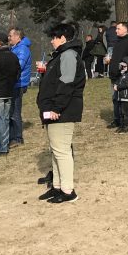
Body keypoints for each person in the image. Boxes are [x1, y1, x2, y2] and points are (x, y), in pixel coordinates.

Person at [36, 23, 85, 204]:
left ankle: (68, 191)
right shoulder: (61, 56)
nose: (51, 41)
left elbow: (67, 84)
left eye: (54, 37)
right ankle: (57, 186)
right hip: (53, 110)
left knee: (62, 151)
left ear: (63, 38)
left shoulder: (69, 55)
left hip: (62, 111)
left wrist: (57, 108)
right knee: (55, 151)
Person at [106, 22, 128, 130]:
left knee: (123, 101)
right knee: (115, 100)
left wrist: (123, 69)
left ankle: (124, 123)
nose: (116, 31)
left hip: (123, 77)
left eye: (118, 29)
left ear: (126, 30)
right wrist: (110, 61)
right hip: (114, 75)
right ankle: (117, 120)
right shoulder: (117, 42)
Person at [8, 27, 32, 147]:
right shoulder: (15, 48)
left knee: (15, 112)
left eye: (10, 36)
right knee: (11, 111)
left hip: (18, 83)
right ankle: (12, 136)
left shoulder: (22, 48)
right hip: (14, 83)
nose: (9, 38)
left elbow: (18, 65)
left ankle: (17, 138)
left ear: (18, 36)